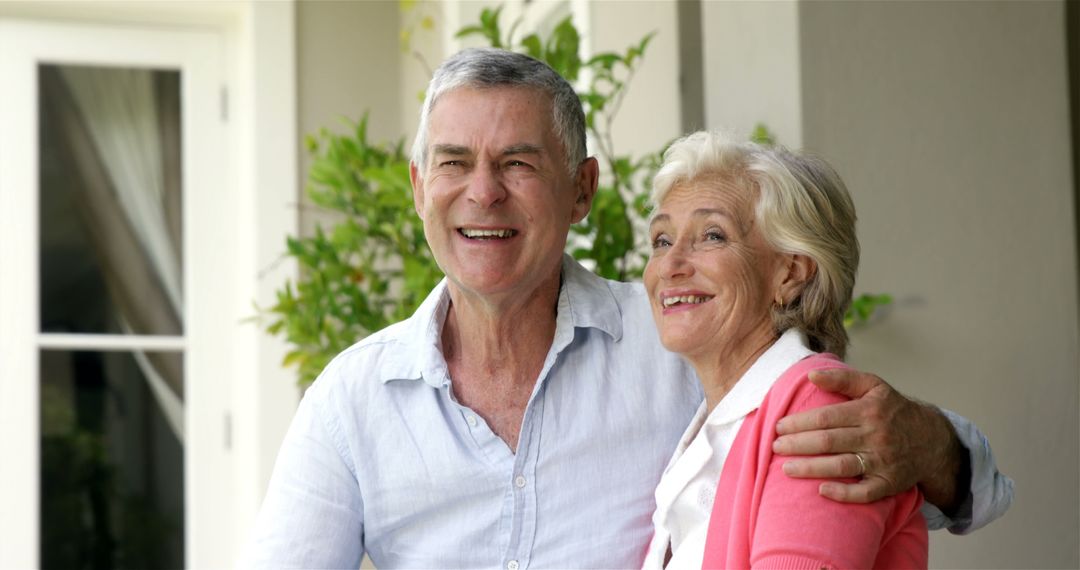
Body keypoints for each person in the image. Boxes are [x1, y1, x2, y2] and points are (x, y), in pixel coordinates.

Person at [244, 48, 1012, 569]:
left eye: (518, 162)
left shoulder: (683, 337)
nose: (483, 192)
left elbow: (950, 480)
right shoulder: (351, 400)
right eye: (454, 162)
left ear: (582, 189)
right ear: (419, 189)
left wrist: (932, 443)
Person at [640, 131, 926, 568]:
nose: (670, 265)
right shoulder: (716, 425)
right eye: (662, 240)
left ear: (790, 273)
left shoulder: (819, 410)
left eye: (712, 235)